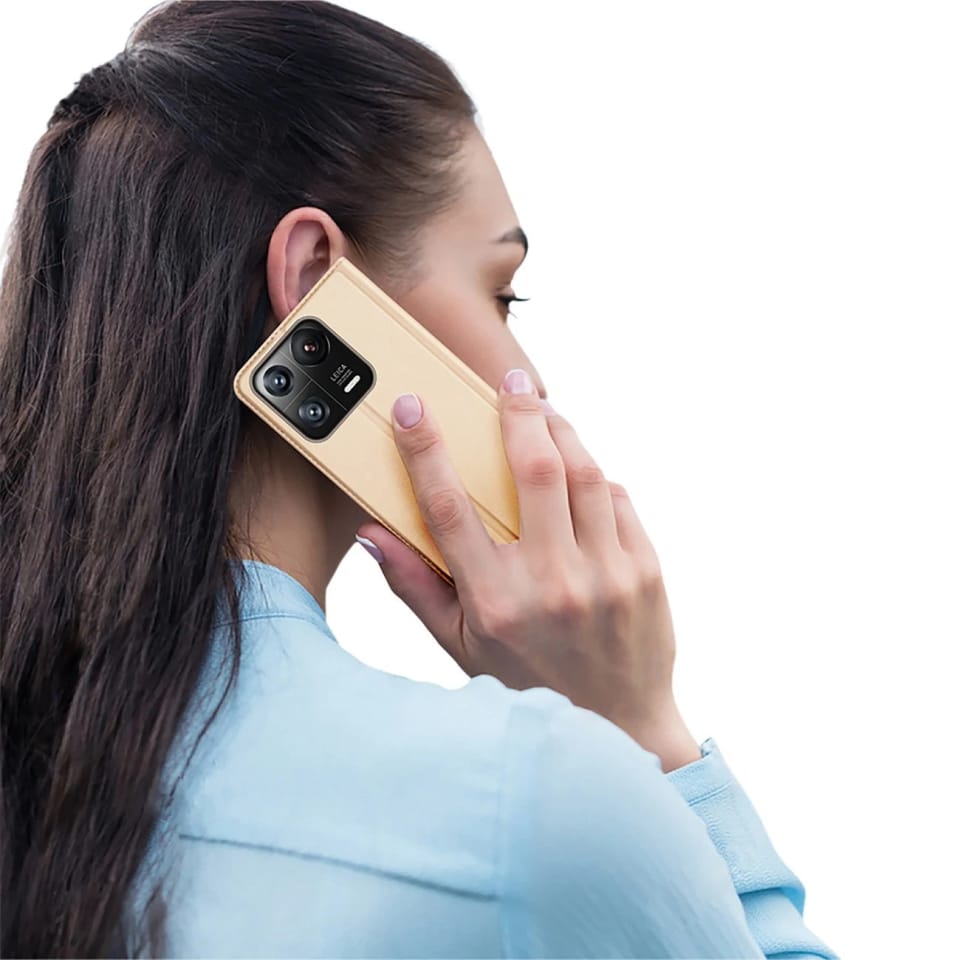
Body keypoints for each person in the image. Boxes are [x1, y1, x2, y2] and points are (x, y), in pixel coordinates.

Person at [0, 1, 839, 957]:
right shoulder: (534, 807)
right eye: (502, 293)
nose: (531, 378)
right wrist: (642, 729)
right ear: (315, 282)